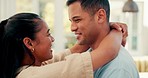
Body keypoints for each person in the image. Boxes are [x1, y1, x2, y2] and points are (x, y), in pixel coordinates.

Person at [0, 13, 126, 78]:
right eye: (48, 34)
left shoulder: (30, 67)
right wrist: (118, 30)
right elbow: (108, 51)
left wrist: (103, 26)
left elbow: (78, 48)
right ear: (29, 43)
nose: (52, 39)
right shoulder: (33, 76)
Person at [66, 0, 139, 78]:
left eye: (77, 20)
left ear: (100, 16)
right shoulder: (90, 55)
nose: (72, 28)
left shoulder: (118, 67)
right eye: (71, 21)